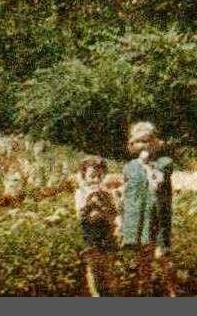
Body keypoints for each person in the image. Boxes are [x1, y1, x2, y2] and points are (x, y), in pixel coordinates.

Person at [121, 121, 177, 296]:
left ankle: (172, 291)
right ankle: (145, 292)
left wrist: (147, 164)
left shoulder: (164, 162)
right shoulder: (130, 167)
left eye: (147, 141)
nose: (143, 145)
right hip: (141, 218)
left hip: (158, 218)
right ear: (133, 144)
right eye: (139, 141)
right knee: (144, 258)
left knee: (161, 255)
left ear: (155, 143)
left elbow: (158, 181)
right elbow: (127, 192)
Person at [74, 155, 118, 296]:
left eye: (99, 176)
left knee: (108, 265)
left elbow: (113, 213)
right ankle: (95, 294)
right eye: (92, 176)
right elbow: (80, 213)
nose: (96, 180)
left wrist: (104, 208)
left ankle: (111, 293)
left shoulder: (107, 194)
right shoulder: (81, 192)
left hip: (105, 232)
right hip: (90, 232)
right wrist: (91, 202)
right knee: (92, 265)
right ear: (84, 177)